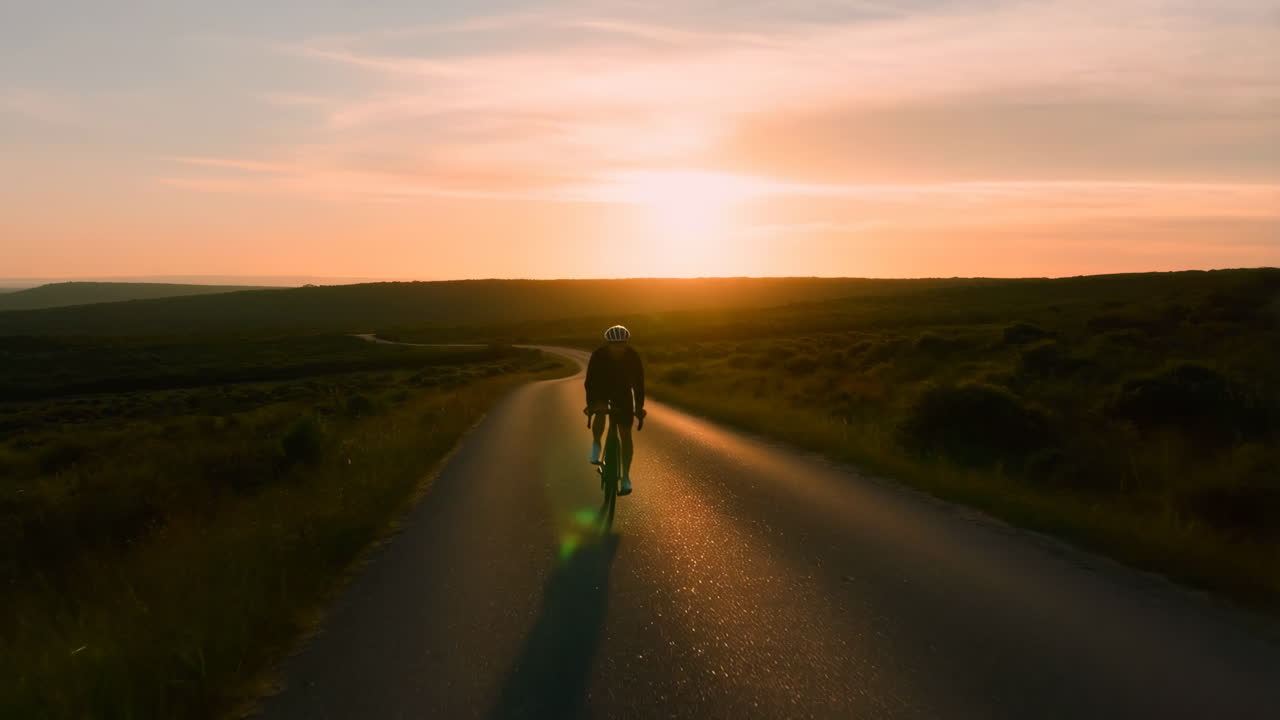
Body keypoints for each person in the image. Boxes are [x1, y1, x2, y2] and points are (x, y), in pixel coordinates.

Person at [584, 324, 646, 495]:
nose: (618, 347)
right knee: (601, 410)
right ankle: (596, 444)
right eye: (614, 344)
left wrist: (639, 407)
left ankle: (625, 477)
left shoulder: (633, 356)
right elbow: (590, 382)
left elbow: (639, 384)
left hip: (623, 394)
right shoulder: (598, 355)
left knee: (626, 435)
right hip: (601, 389)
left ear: (626, 343)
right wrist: (592, 404)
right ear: (607, 344)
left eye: (622, 344)